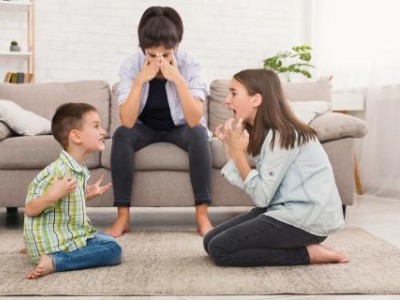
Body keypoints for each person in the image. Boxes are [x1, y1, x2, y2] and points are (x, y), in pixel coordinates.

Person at [203, 69, 349, 267]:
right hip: (283, 209)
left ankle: (307, 254)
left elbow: (262, 196)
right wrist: (232, 153)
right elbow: (261, 191)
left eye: (234, 93)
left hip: (304, 220)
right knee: (209, 241)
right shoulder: (271, 134)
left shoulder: (283, 135)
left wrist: (238, 156)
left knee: (220, 249)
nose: (227, 100)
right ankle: (297, 248)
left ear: (256, 100)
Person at [107, 6, 212, 237]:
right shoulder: (131, 65)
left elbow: (195, 119)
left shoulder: (191, 65)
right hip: (145, 128)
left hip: (181, 128)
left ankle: (202, 216)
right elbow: (127, 120)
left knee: (199, 134)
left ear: (175, 48)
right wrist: (139, 81)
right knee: (122, 135)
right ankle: (123, 218)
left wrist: (178, 80)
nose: (159, 61)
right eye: (152, 55)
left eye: (165, 55)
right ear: (143, 50)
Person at [23, 103, 122, 279]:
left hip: (67, 233)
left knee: (102, 237)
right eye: (96, 126)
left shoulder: (76, 168)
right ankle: (55, 261)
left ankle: (39, 246)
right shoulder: (58, 172)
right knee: (113, 250)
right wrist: (53, 195)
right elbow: (30, 209)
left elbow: (64, 203)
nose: (103, 131)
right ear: (76, 136)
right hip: (59, 243)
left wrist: (86, 194)